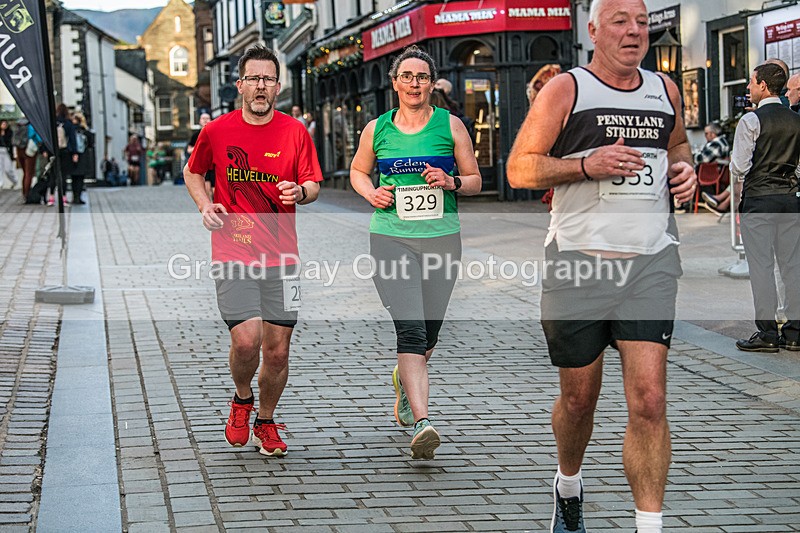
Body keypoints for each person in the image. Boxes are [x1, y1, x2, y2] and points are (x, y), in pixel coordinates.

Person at [506, 0, 697, 531]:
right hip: (577, 265)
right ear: (593, 30)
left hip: (650, 263)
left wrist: (684, 171)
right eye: (619, 21)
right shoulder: (567, 89)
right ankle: (568, 485)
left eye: (641, 22)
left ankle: (649, 526)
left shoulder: (666, 90)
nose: (634, 31)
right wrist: (587, 165)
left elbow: (677, 145)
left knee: (650, 399)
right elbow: (520, 168)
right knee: (578, 398)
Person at [183, 44, 323, 457]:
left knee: (277, 352)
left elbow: (313, 184)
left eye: (268, 79)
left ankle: (266, 420)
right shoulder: (218, 131)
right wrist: (205, 205)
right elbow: (193, 172)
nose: (260, 86)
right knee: (247, 341)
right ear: (240, 84)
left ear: (277, 86)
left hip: (284, 260)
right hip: (234, 254)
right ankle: (241, 399)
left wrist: (301, 191)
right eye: (253, 79)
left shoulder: (294, 131)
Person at [350, 45, 482, 460]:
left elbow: (476, 179)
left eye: (421, 77)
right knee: (409, 331)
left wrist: (451, 181)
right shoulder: (377, 129)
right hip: (390, 237)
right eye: (406, 76)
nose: (414, 84)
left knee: (428, 336)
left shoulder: (451, 126)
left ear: (431, 83)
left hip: (442, 239)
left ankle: (405, 383)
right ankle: (423, 423)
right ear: (395, 83)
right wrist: (372, 192)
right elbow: (357, 170)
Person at [730, 62, 800, 354]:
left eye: (751, 82)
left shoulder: (751, 121)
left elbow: (739, 166)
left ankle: (768, 333)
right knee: (793, 266)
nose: (748, 87)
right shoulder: (797, 120)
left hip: (759, 201)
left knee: (761, 266)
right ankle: (795, 333)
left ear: (762, 85)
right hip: (790, 200)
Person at [48, 104, 78, 206]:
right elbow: (72, 139)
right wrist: (74, 152)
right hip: (65, 151)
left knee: (53, 174)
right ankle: (64, 198)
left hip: (53, 151)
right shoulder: (68, 123)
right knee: (63, 175)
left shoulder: (52, 122)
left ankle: (51, 198)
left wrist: (45, 150)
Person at [188, 112, 215, 199]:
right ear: (200, 121)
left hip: (215, 165)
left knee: (215, 190)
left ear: (211, 120)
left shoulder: (215, 133)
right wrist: (199, 148)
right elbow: (189, 149)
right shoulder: (196, 135)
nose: (205, 120)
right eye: (203, 119)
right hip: (204, 166)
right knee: (207, 189)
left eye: (207, 118)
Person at [70, 112, 93, 204]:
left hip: (72, 156)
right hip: (83, 156)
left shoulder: (71, 129)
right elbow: (91, 144)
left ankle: (74, 196)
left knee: (73, 178)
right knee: (80, 178)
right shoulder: (85, 131)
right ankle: (78, 197)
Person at [0, 119, 18, 189]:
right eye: (3, 124)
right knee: (0, 168)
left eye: (5, 124)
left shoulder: (9, 132)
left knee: (8, 169)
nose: (4, 126)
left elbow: (10, 143)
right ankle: (1, 183)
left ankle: (14, 180)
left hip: (6, 151)